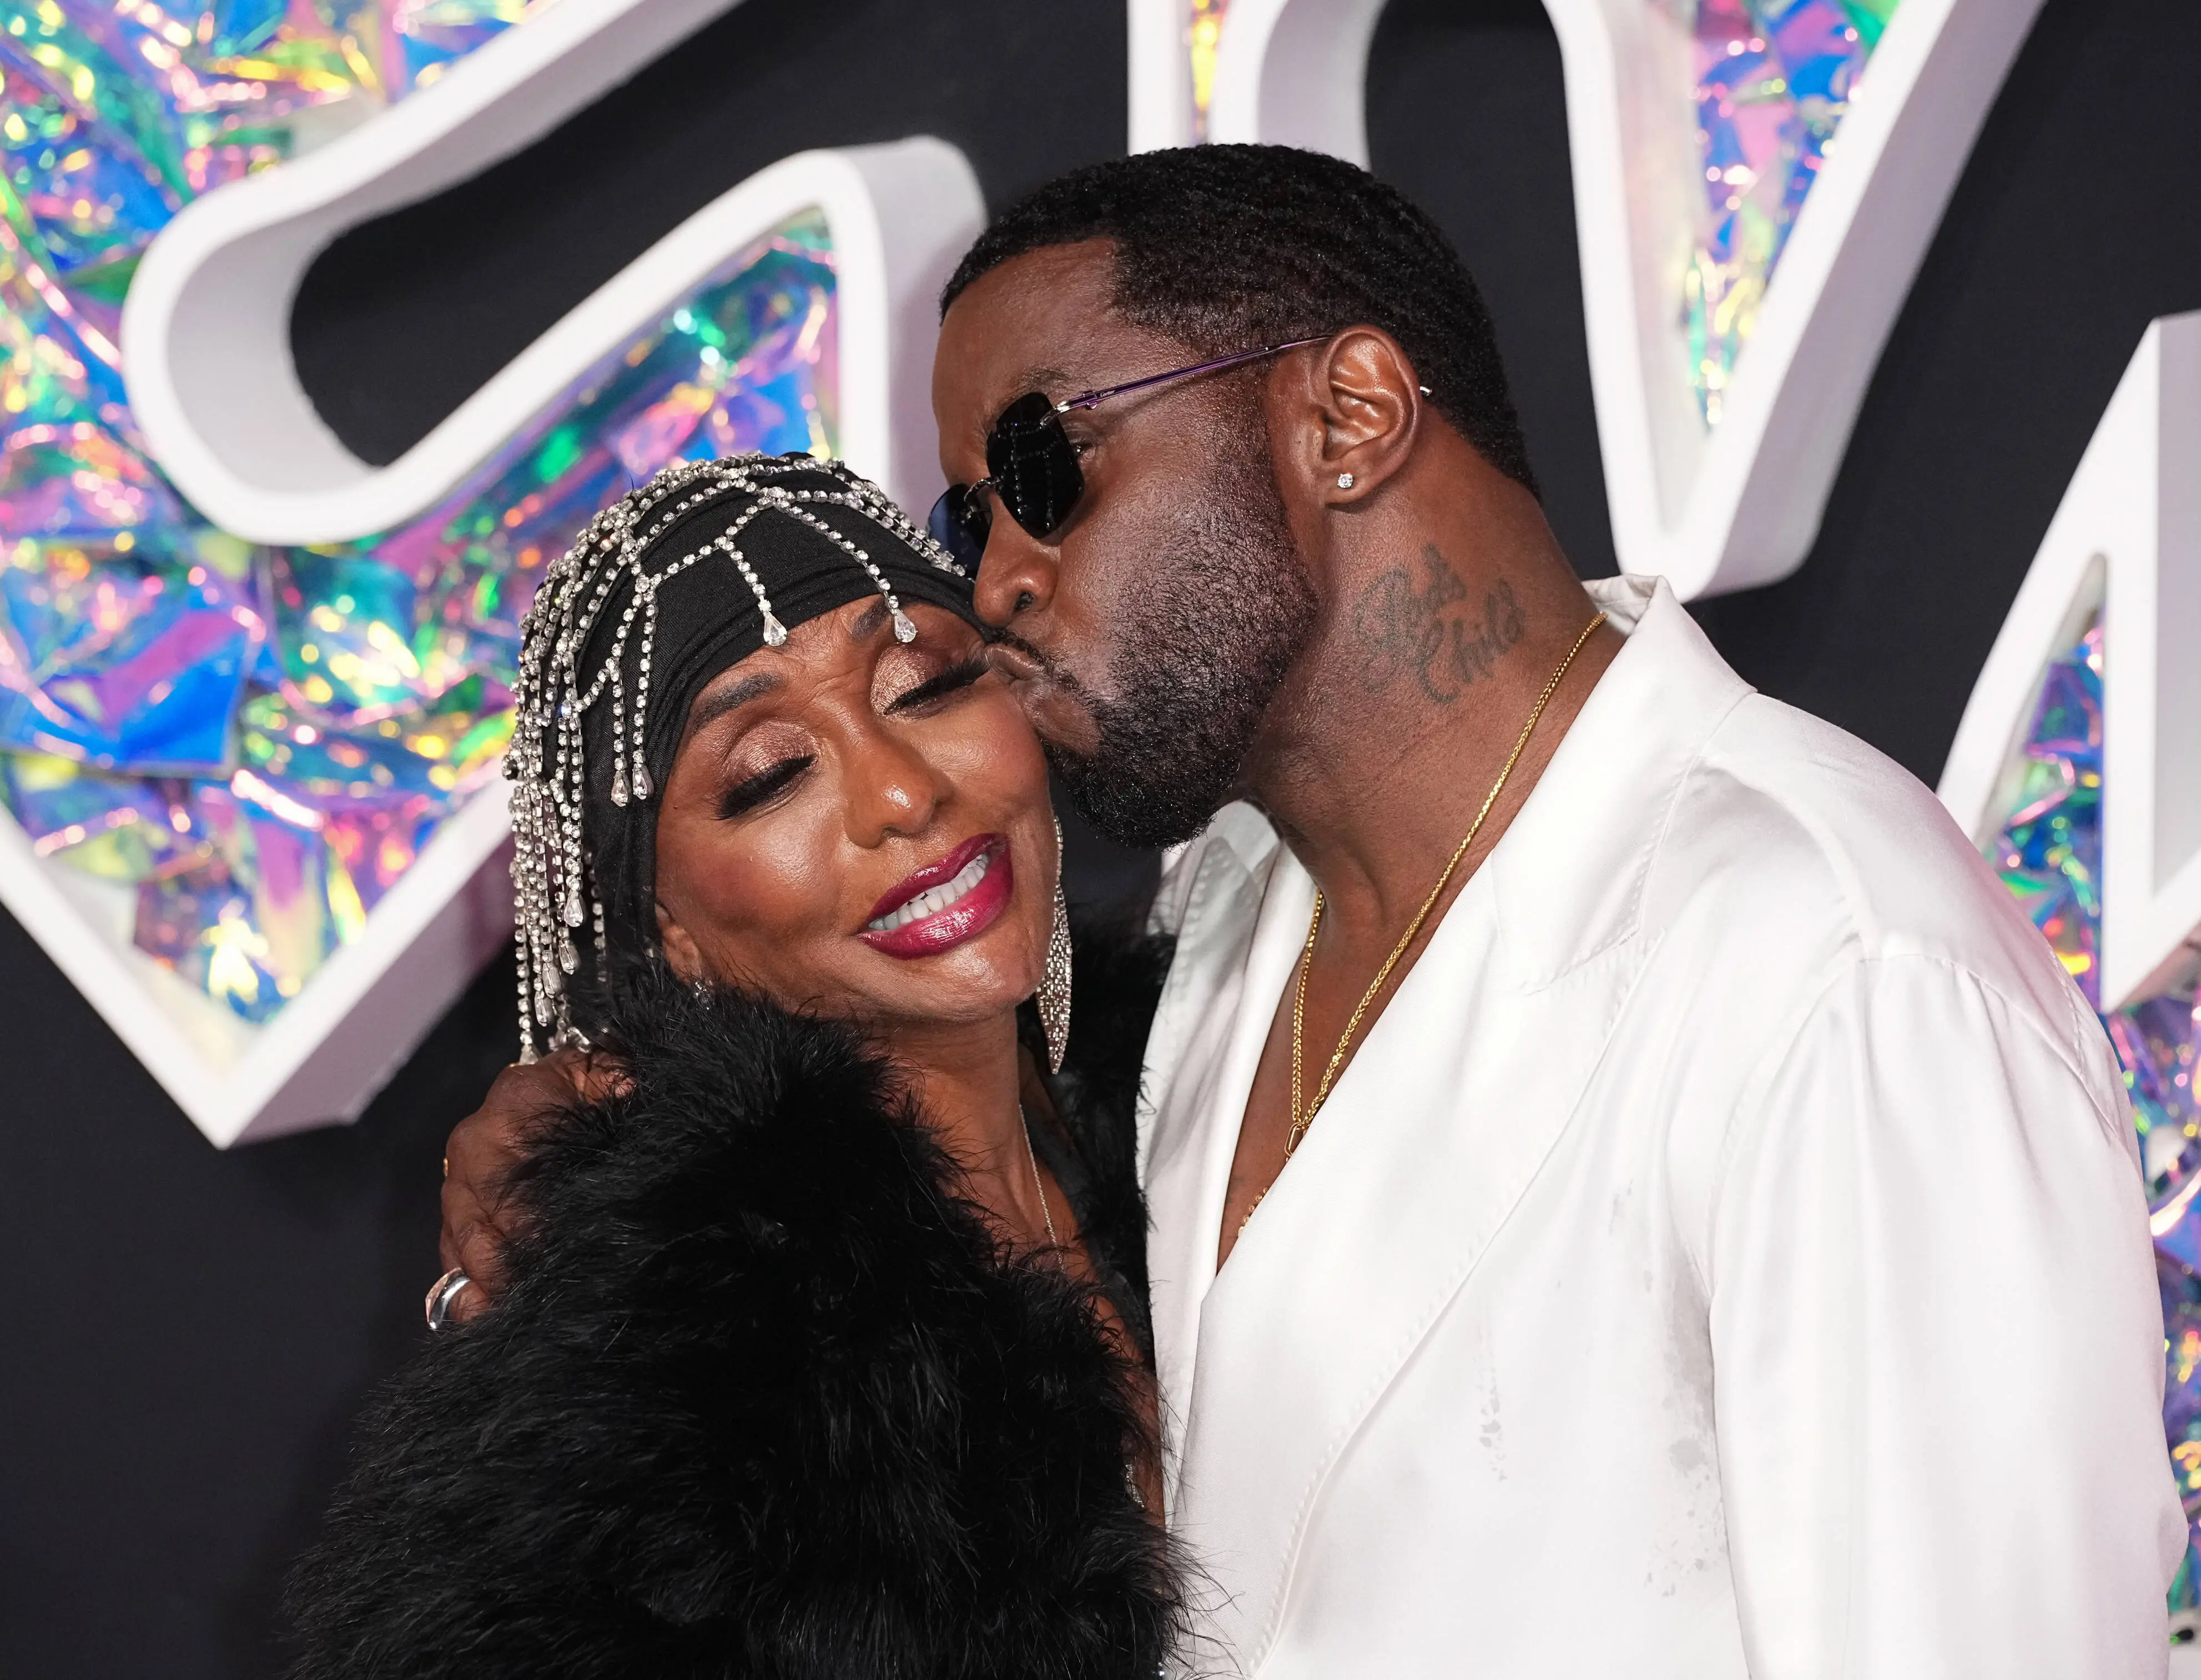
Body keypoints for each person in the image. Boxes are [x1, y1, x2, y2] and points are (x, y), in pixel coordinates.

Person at [443, 146, 2184, 1677]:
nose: (990, 585)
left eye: (1043, 467)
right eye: (969, 517)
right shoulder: (1224, 931)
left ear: (1347, 417)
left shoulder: (1834, 972)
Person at [286, 454, 1181, 1678]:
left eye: (924, 682)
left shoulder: (1196, 1081)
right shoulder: (677, 1401)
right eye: (768, 774)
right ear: (668, 930)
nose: (903, 792)